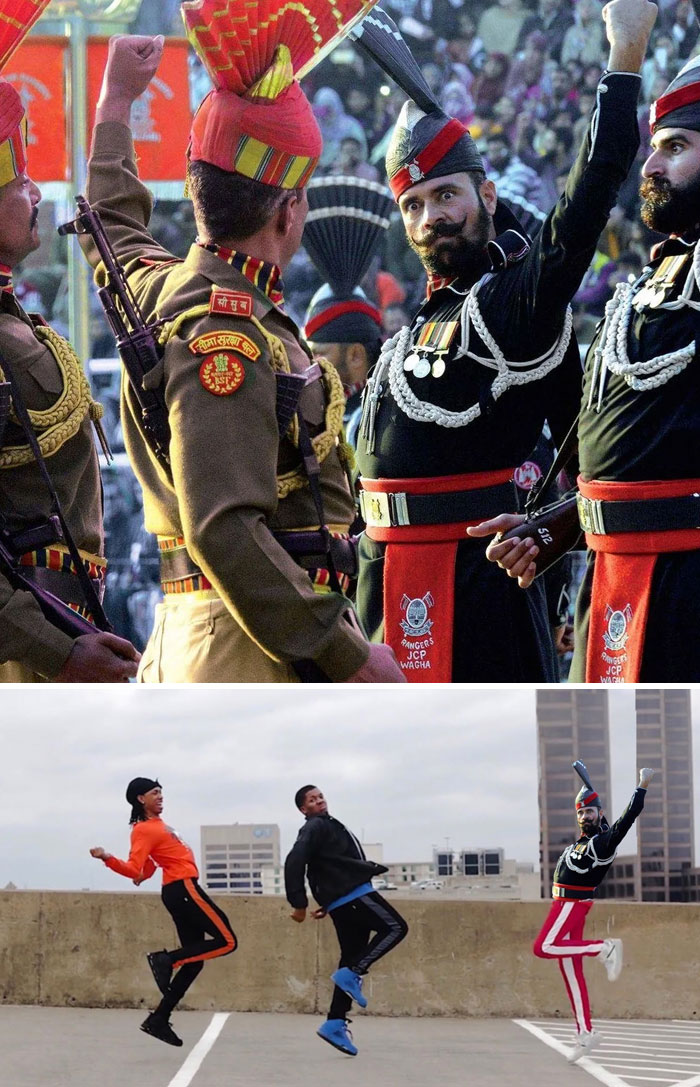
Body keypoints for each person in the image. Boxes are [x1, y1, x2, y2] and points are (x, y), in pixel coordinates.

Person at [80, 33, 404, 683]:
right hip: (247, 650)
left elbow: (113, 225)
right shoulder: (228, 335)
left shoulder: (163, 288)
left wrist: (115, 106)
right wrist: (348, 656)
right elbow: (223, 527)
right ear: (288, 211)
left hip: (240, 631)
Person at [354, 0, 657, 681]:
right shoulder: (424, 321)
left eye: (447, 197)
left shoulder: (512, 302)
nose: (432, 217)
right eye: (415, 205)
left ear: (487, 196)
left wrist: (624, 56)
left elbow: (586, 202)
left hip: (473, 595)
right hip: (382, 589)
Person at [473, 52, 700, 683]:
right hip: (611, 588)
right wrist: (556, 525)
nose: (650, 165)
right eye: (653, 148)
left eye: (675, 146)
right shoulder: (652, 286)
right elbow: (645, 456)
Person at [0, 72, 139, 683]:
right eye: (18, 180)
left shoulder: (17, 322)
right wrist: (53, 649)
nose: (35, 192)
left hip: (63, 627)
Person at [90, 777, 236, 1047]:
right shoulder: (143, 829)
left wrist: (143, 877)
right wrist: (107, 858)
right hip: (183, 888)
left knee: (196, 960)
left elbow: (148, 866)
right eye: (154, 793)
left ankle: (159, 1018)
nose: (160, 797)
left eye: (161, 793)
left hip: (177, 889)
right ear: (140, 799)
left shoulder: (158, 827)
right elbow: (135, 866)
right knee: (228, 941)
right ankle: (165, 960)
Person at [533, 767, 654, 1062]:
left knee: (544, 947)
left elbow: (626, 821)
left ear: (600, 813)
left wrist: (642, 786)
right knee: (570, 970)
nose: (586, 816)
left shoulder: (603, 842)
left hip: (572, 905)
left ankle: (604, 947)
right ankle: (585, 1033)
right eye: (582, 812)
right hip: (562, 904)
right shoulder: (585, 840)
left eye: (591, 812)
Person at [284, 785, 408, 1057]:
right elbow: (295, 860)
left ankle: (335, 1022)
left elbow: (327, 865)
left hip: (342, 901)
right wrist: (299, 903)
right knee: (396, 927)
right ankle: (355, 972)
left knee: (350, 957)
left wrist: (327, 903)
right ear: (304, 810)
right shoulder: (314, 826)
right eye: (312, 800)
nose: (319, 801)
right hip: (355, 895)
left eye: (320, 797)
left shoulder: (325, 825)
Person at [302, 175, 393, 447]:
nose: (310, 364)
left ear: (355, 355)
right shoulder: (318, 410)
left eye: (319, 353)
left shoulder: (384, 420)